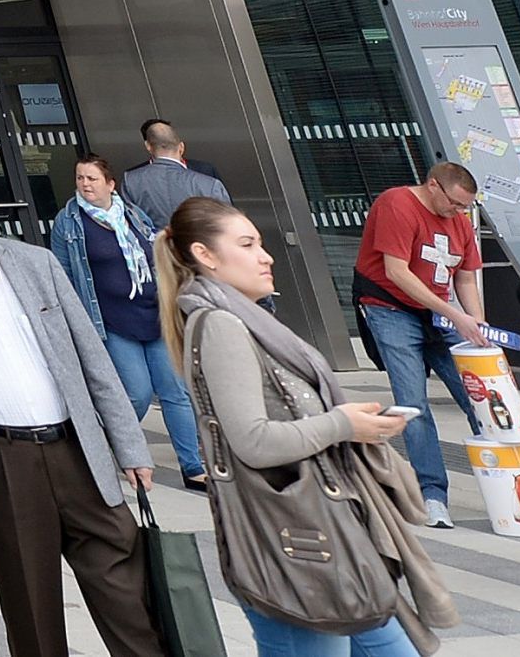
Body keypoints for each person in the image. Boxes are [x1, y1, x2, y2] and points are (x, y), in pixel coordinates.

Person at [166, 193, 456, 657]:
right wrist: (341, 424)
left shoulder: (248, 320)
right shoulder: (221, 324)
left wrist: (350, 422)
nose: (266, 257)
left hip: (326, 533)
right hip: (292, 542)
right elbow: (253, 441)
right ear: (205, 256)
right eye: (247, 245)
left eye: (260, 243)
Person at [0, 162, 162, 657]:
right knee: (29, 606)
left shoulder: (36, 263)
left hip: (75, 448)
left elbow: (92, 359)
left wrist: (130, 445)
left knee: (127, 594)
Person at [48, 155, 207, 491]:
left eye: (91, 178)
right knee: (136, 393)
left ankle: (193, 468)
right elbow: (61, 274)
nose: (85, 184)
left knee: (175, 392)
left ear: (110, 184)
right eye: (80, 178)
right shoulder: (69, 222)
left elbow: (157, 253)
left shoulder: (132, 213)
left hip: (152, 313)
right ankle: (103, 448)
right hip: (112, 320)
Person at [348, 158, 492, 522]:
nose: (459, 212)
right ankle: (432, 494)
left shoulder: (458, 222)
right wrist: (456, 315)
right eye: (455, 203)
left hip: (438, 311)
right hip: (390, 307)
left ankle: (509, 483)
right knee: (413, 401)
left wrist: (476, 323)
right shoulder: (397, 203)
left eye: (465, 207)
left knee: (477, 394)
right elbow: (397, 271)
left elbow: (465, 277)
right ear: (433, 186)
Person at [117, 124, 229, 229]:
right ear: (181, 147)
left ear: (148, 146)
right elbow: (226, 226)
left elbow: (132, 224)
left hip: (155, 247)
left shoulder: (131, 180)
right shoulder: (210, 184)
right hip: (197, 246)